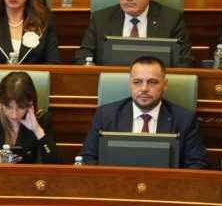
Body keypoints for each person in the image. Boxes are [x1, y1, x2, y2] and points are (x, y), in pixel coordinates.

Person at [79, 56, 207, 168]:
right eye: (137, 82)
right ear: (129, 84)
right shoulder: (105, 115)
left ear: (165, 85)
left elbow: (197, 164)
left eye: (152, 82)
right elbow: (88, 159)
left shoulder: (184, 119)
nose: (144, 88)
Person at [74, 0, 193, 67]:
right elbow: (83, 55)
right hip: (113, 81)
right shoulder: (101, 19)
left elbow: (185, 61)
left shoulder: (171, 19)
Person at [0, 71, 57, 164]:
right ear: (0, 102)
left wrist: (37, 130)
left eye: (21, 108)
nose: (14, 115)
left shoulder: (42, 121)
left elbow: (56, 166)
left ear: (30, 103)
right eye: (8, 107)